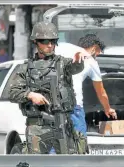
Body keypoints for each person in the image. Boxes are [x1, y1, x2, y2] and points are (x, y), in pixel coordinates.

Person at [9, 22, 86, 154]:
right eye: (45, 41)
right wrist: (30, 95)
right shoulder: (25, 68)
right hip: (37, 127)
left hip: (62, 123)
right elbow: (12, 92)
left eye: (53, 41)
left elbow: (75, 67)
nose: (50, 45)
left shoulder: (63, 63)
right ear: (36, 42)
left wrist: (79, 60)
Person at [55, 34, 117, 153]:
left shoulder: (62, 47)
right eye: (98, 52)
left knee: (55, 142)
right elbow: (101, 92)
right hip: (74, 107)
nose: (97, 55)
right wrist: (108, 109)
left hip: (53, 105)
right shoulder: (89, 59)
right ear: (94, 48)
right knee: (79, 145)